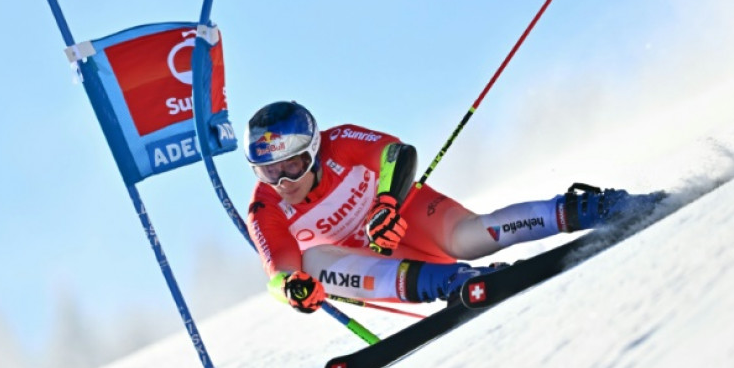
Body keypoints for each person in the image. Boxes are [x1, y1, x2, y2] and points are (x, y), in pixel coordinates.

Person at [244, 101, 664, 313]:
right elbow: (278, 271)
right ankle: (453, 284)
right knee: (312, 262)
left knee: (470, 237)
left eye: (293, 166)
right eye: (268, 172)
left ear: (315, 151)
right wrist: (292, 290)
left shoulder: (342, 141)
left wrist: (387, 204)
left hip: (405, 216)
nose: (284, 183)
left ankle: (595, 209)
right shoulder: (265, 208)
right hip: (374, 262)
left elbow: (397, 153)